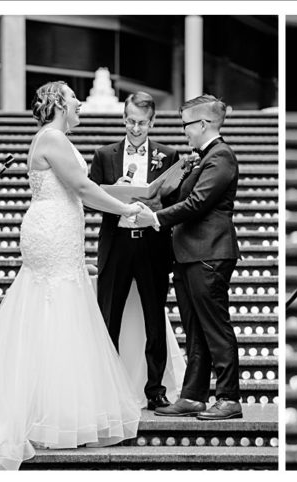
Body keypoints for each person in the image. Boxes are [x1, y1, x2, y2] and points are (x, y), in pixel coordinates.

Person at [0, 81, 143, 470]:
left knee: (53, 304)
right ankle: (52, 413)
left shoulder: (51, 139)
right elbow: (82, 187)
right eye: (73, 98)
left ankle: (52, 404)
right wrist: (125, 209)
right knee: (57, 305)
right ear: (59, 104)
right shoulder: (52, 139)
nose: (79, 102)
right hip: (51, 232)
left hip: (56, 229)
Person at [136, 95, 243, 421]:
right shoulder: (200, 158)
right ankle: (194, 396)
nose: (184, 132)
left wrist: (155, 219)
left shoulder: (221, 157)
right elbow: (179, 195)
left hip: (208, 252)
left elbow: (198, 203)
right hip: (188, 253)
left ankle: (228, 397)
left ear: (203, 124)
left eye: (186, 125)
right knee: (195, 329)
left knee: (215, 327)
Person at [89, 91, 185, 410]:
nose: (135, 128)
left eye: (142, 123)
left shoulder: (168, 156)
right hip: (116, 245)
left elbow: (173, 202)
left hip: (151, 245)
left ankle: (155, 388)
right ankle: (106, 389)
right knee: (108, 317)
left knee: (154, 318)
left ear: (152, 122)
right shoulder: (104, 155)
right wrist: (114, 195)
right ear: (123, 118)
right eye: (130, 121)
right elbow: (90, 198)